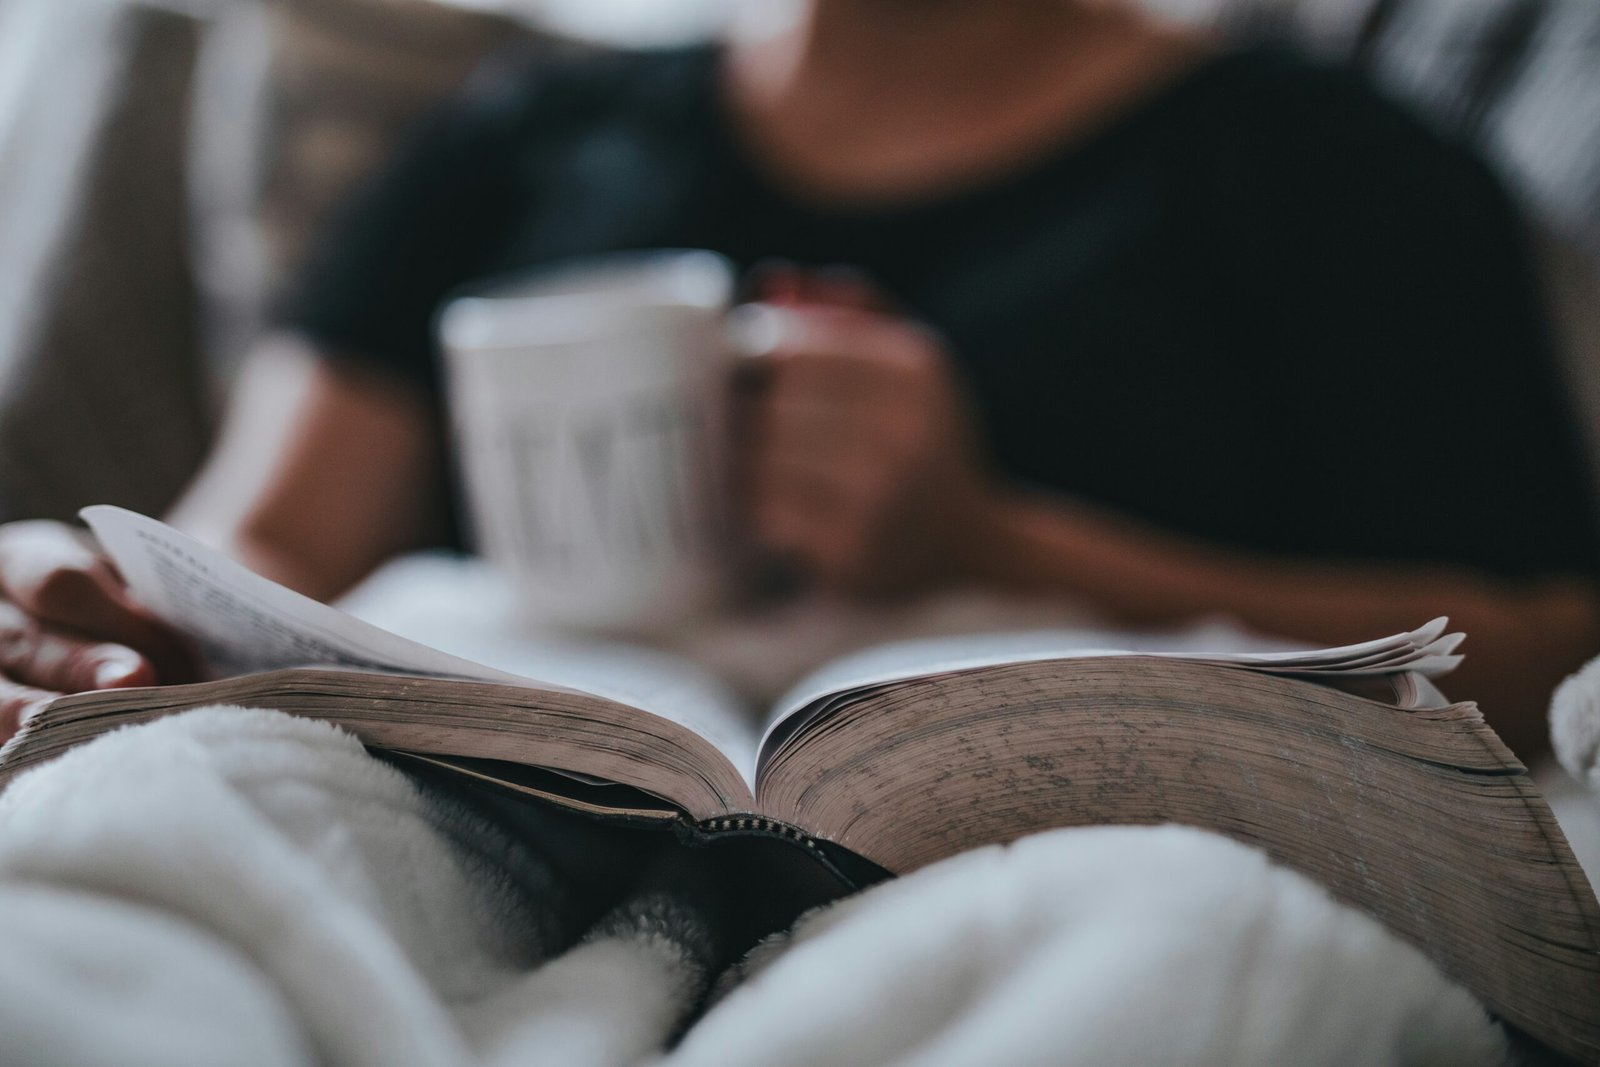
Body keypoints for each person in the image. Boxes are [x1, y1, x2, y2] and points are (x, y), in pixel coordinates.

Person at [0, 0, 1595, 758]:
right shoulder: (513, 141)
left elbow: (1551, 655)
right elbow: (259, 538)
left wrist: (992, 543)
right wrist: (86, 607)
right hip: (503, 787)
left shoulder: (1328, 167)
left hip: (1061, 825)